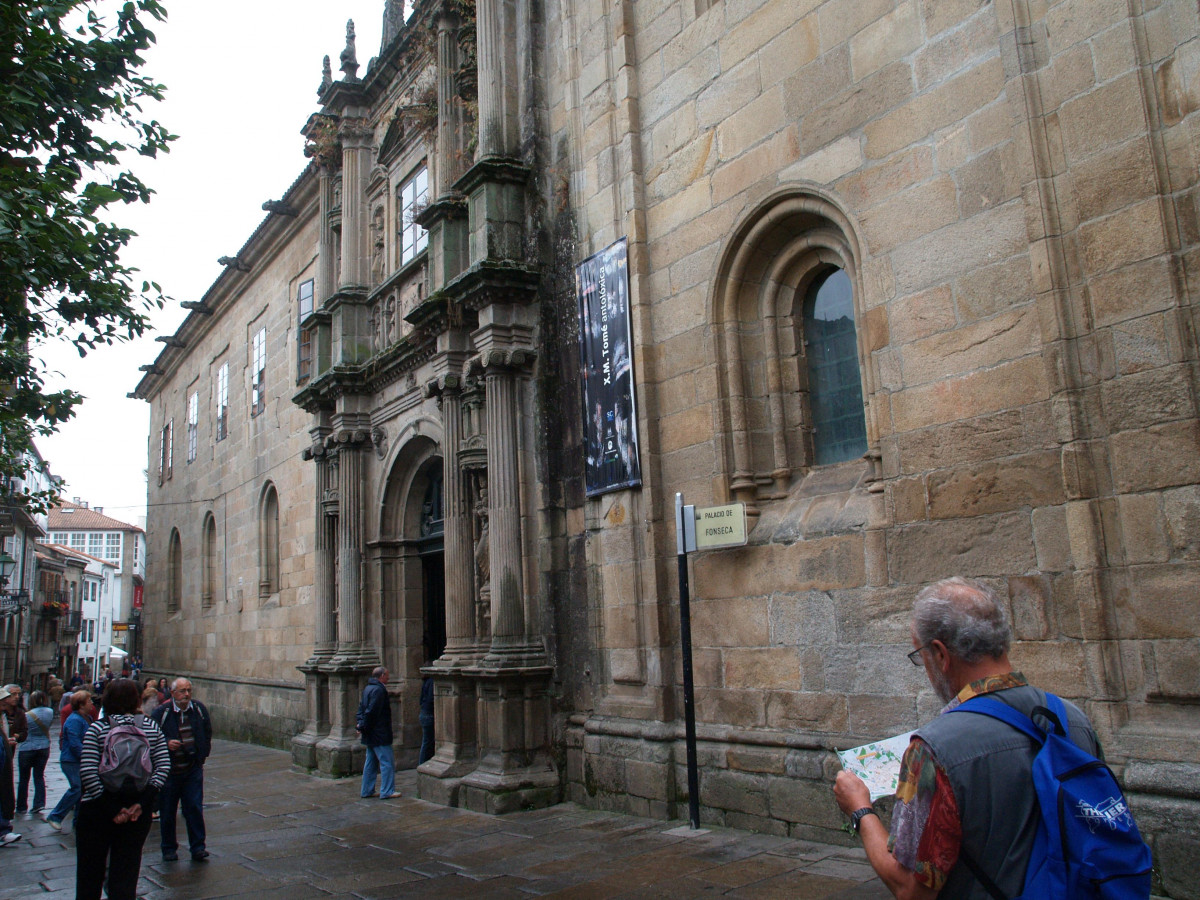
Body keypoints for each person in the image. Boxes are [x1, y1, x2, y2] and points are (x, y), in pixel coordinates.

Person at [833, 577, 1107, 899]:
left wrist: (861, 810)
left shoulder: (933, 750)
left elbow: (912, 889)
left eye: (921, 656)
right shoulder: (1072, 718)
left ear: (940, 654)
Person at [76, 678, 170, 900]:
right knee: (126, 877)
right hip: (136, 811)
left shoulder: (97, 728)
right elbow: (163, 766)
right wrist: (142, 804)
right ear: (136, 700)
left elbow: (88, 771)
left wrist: (112, 809)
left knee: (89, 877)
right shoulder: (150, 726)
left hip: (97, 811)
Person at [151, 677, 212, 861]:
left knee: (194, 807)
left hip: (192, 769)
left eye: (189, 690)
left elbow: (207, 732)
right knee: (168, 811)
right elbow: (151, 737)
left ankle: (198, 847)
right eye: (182, 691)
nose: (186, 694)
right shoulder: (161, 713)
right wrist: (166, 743)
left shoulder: (199, 709)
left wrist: (202, 754)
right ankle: (169, 849)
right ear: (173, 693)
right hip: (169, 771)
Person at [45, 690, 94, 832]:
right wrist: (87, 756)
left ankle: (78, 821)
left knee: (82, 790)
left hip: (80, 760)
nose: (91, 703)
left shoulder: (87, 718)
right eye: (89, 701)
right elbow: (74, 744)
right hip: (71, 761)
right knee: (77, 788)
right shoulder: (74, 720)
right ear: (81, 704)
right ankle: (56, 815)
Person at [355, 666, 398, 799]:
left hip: (370, 733)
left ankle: (366, 790)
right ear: (381, 676)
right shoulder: (379, 690)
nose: (389, 678)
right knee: (387, 762)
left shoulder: (368, 688)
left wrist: (360, 725)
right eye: (387, 675)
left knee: (371, 762)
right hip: (379, 733)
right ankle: (387, 791)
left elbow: (361, 709)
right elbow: (372, 712)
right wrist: (363, 726)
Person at [17, 690, 53, 814]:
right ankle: (39, 803)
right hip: (43, 747)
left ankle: (21, 806)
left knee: (24, 778)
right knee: (39, 776)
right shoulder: (50, 712)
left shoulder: (26, 715)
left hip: (27, 747)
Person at [0, 684, 27, 828]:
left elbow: (24, 732)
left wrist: (15, 737)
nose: (17, 697)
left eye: (18, 694)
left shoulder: (19, 713)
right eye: (13, 694)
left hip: (8, 754)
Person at [418, 674, 434, 765]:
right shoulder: (431, 681)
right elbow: (431, 699)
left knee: (427, 742)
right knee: (427, 742)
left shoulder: (426, 681)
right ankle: (422, 764)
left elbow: (421, 700)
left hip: (424, 713)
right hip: (429, 714)